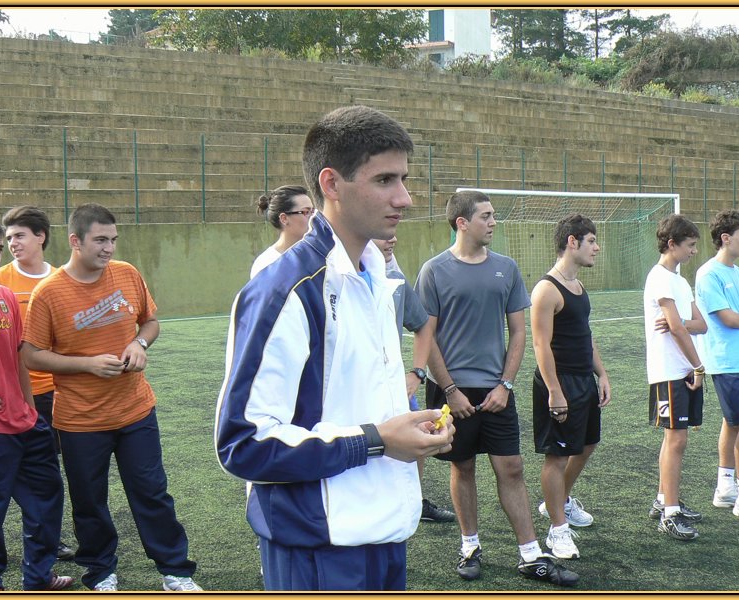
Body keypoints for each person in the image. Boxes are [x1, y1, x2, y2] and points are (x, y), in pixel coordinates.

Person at [214, 105, 455, 591]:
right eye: (384, 179)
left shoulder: (376, 276)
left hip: (384, 532)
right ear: (331, 184)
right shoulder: (286, 290)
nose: (404, 198)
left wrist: (406, 429)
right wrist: (375, 440)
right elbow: (243, 444)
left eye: (404, 179)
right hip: (316, 547)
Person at [20, 203, 201, 592]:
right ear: (75, 241)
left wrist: (139, 344)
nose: (109, 248)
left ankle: (175, 571)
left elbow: (150, 322)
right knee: (89, 502)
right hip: (80, 421)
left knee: (152, 493)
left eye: (113, 239)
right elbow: (31, 354)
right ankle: (101, 572)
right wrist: (86, 364)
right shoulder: (48, 293)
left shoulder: (127, 273)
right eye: (100, 240)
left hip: (136, 411)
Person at [415, 190, 578, 586]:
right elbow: (426, 337)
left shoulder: (507, 267)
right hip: (451, 392)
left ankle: (530, 554)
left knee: (512, 467)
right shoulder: (433, 270)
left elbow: (519, 332)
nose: (493, 222)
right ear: (462, 223)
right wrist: (450, 389)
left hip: (496, 391)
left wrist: (505, 384)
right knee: (463, 466)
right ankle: (470, 546)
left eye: (493, 215)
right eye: (485, 216)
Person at [0, 213, 74, 592]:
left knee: (47, 498)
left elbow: (20, 360)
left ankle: (38, 577)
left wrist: (31, 411)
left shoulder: (5, 297)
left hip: (26, 422)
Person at [530, 214, 611, 560]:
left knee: (587, 445)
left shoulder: (578, 286)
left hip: (583, 382)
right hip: (559, 383)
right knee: (558, 455)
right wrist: (554, 391)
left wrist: (601, 374)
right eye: (591, 241)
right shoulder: (547, 289)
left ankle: (559, 501)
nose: (597, 247)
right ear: (572, 242)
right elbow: (540, 345)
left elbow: (586, 337)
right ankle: (557, 530)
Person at [373, 235, 455, 523]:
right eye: (382, 232)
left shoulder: (395, 279)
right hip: (360, 392)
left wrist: (418, 372)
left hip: (395, 388)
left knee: (418, 438)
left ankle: (414, 503)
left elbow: (423, 326)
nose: (393, 238)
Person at [643, 214, 707, 541]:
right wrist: (698, 366)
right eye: (690, 245)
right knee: (676, 439)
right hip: (669, 370)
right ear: (672, 244)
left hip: (684, 369)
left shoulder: (680, 281)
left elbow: (699, 325)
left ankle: (663, 499)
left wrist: (680, 323)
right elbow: (680, 330)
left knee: (675, 439)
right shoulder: (659, 278)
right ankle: (670, 514)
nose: (694, 251)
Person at [694, 209, 739, 523]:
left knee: (733, 423)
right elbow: (728, 319)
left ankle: (725, 488)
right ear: (726, 238)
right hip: (726, 362)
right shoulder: (708, 274)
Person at [250, 184, 315, 278]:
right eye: (306, 212)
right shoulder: (267, 264)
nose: (313, 217)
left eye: (313, 212)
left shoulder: (319, 256)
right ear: (284, 219)